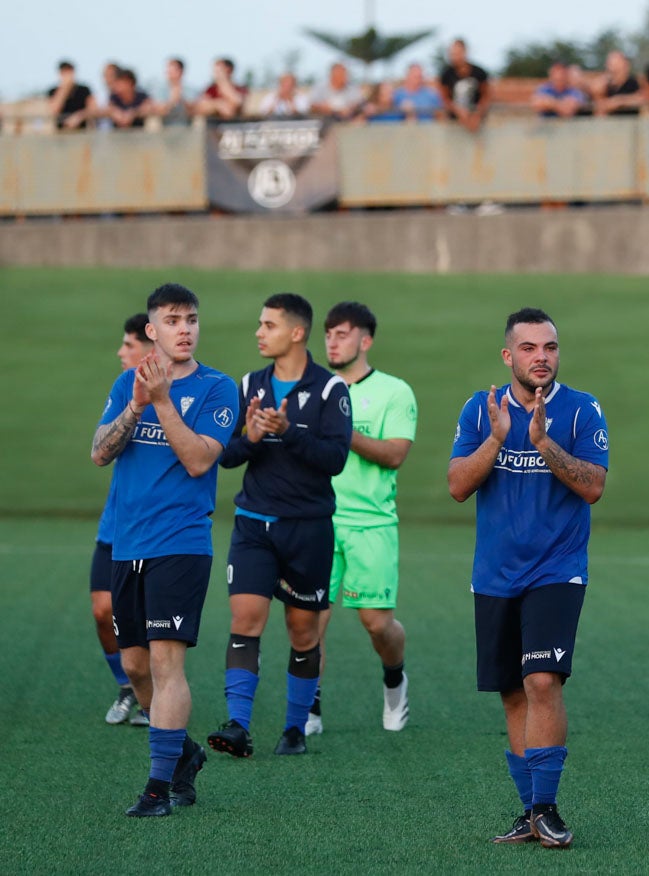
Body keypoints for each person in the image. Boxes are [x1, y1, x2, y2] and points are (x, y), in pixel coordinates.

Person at [448, 308, 608, 849]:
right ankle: (528, 811)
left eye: (550, 348)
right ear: (508, 355)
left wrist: (543, 443)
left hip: (557, 571)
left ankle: (546, 807)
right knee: (513, 695)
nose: (541, 357)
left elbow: (593, 486)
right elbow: (456, 485)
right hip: (494, 575)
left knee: (543, 682)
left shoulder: (583, 409)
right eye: (530, 348)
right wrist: (497, 440)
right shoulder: (480, 409)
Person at [91, 283, 238, 816]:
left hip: (181, 543)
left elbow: (200, 460)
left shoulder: (219, 389)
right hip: (126, 544)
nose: (185, 328)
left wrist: (161, 402)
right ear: (151, 330)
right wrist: (135, 405)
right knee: (135, 669)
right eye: (173, 320)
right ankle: (184, 754)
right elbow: (100, 452)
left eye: (192, 319)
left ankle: (157, 790)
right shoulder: (126, 382)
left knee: (165, 662)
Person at [208, 293, 352, 758]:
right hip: (253, 525)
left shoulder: (331, 391)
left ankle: (293, 729)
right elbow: (225, 455)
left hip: (308, 530)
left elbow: (335, 460)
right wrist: (251, 437)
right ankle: (238, 726)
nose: (258, 332)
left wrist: (288, 432)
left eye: (268, 325)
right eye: (259, 323)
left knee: (302, 633)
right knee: (245, 620)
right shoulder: (248, 383)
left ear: (296, 332)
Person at [309, 302, 417, 735]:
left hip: (371, 524)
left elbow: (394, 454)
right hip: (317, 519)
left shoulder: (395, 391)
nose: (333, 341)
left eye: (342, 333)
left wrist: (342, 430)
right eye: (329, 333)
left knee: (376, 623)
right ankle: (309, 709)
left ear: (365, 340)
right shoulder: (312, 388)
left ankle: (395, 681)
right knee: (309, 620)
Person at [94, 314, 156, 727]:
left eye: (127, 345)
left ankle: (153, 701)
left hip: (155, 534)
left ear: (148, 349)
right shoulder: (123, 391)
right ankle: (126, 686)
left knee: (150, 625)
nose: (121, 352)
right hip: (114, 529)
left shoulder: (181, 393)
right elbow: (99, 451)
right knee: (103, 611)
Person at [439, 38, 491, 132]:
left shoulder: (479, 73)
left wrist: (477, 114)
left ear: (464, 52)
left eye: (457, 53)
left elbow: (486, 95)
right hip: (454, 123)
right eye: (452, 54)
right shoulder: (446, 74)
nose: (454, 57)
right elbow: (444, 98)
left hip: (477, 123)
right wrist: (458, 111)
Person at [48, 60, 97, 130]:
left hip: (82, 132)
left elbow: (94, 109)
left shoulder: (84, 90)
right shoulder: (53, 91)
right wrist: (65, 89)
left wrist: (79, 116)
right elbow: (54, 110)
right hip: (61, 133)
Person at [592, 51, 644, 116]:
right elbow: (600, 106)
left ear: (626, 66)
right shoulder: (604, 85)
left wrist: (619, 101)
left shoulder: (634, 82)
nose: (614, 68)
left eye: (617, 64)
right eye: (611, 64)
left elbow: (643, 98)